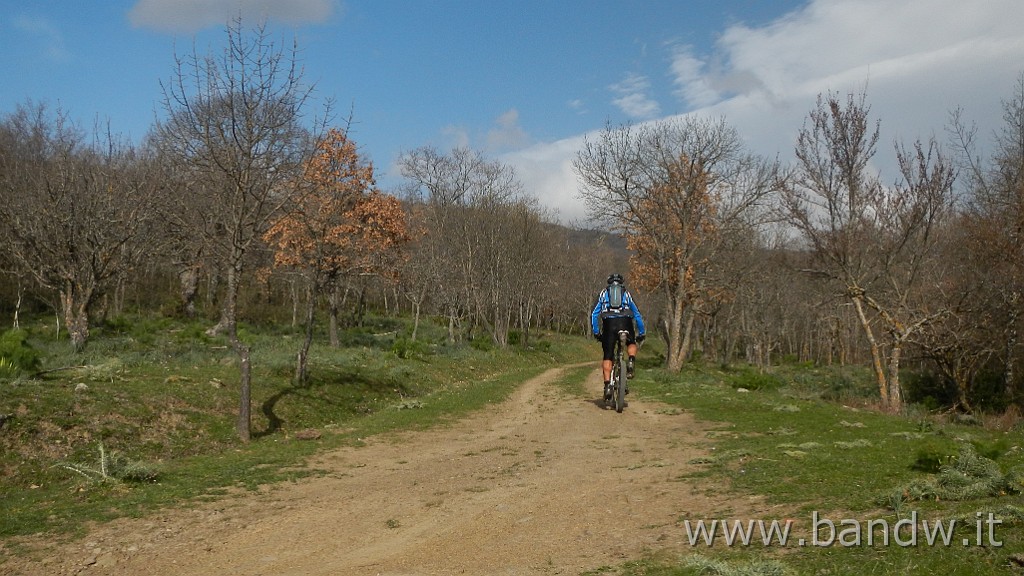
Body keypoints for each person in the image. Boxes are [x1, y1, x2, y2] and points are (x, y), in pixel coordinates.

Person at [591, 273, 646, 402]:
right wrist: (641, 332)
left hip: (609, 324)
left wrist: (596, 332)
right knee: (631, 342)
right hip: (625, 322)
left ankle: (607, 387)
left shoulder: (603, 293)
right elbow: (637, 314)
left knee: (608, 356)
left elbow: (594, 314)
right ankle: (631, 360)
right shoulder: (626, 293)